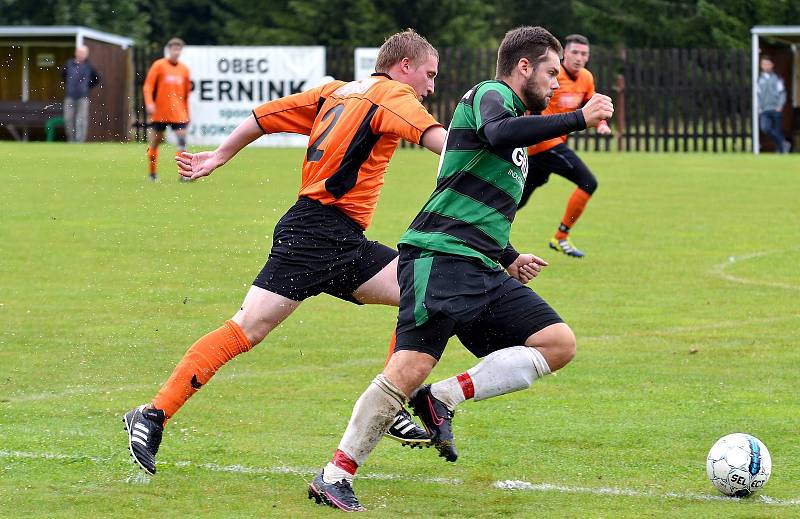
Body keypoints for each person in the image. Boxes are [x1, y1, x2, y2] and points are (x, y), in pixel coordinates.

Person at [309, 26, 613, 512]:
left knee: (557, 343)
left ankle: (442, 398)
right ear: (523, 68)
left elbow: (474, 200)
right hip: (441, 257)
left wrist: (508, 255)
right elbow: (495, 133)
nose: (557, 83)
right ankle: (334, 475)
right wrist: (576, 117)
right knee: (408, 367)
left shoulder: (516, 124)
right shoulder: (490, 95)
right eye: (551, 73)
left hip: (480, 264)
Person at [123, 29, 448, 476]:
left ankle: (392, 402)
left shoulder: (335, 92)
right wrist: (493, 158)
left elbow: (263, 116)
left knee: (425, 291)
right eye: (428, 75)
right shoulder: (392, 93)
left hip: (340, 238)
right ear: (404, 66)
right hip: (315, 235)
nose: (431, 87)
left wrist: (220, 155)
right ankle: (152, 414)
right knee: (246, 330)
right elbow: (443, 142)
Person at [517, 34, 611, 258]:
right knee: (588, 182)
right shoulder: (552, 75)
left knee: (516, 199)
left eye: (584, 54)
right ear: (564, 54)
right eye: (575, 53)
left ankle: (478, 225)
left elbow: (591, 104)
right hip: (544, 142)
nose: (579, 58)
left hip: (547, 148)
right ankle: (561, 237)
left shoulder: (586, 78)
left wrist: (602, 124)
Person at [143, 38, 191, 181]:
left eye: (178, 49)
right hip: (160, 112)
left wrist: (187, 112)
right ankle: (152, 174)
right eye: (173, 49)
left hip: (178, 112)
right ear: (169, 50)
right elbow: (148, 86)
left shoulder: (184, 69)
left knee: (182, 142)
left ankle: (184, 174)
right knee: (155, 142)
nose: (176, 52)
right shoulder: (159, 65)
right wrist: (149, 103)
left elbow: (186, 94)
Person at [61, 45, 100, 143]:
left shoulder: (89, 66)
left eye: (84, 53)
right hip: (70, 96)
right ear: (76, 53)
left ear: (86, 54)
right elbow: (63, 76)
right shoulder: (69, 64)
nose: (81, 54)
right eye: (80, 52)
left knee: (81, 119)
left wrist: (86, 87)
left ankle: (80, 141)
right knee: (68, 119)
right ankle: (71, 140)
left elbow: (96, 79)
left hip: (83, 97)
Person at [757, 56, 789, 153]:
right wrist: (759, 107)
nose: (766, 66)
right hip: (764, 110)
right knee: (765, 128)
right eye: (763, 64)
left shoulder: (777, 78)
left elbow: (782, 93)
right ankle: (783, 143)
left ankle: (781, 149)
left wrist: (780, 106)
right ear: (761, 66)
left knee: (778, 131)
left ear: (772, 65)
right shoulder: (759, 79)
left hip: (776, 109)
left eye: (768, 64)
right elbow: (757, 94)